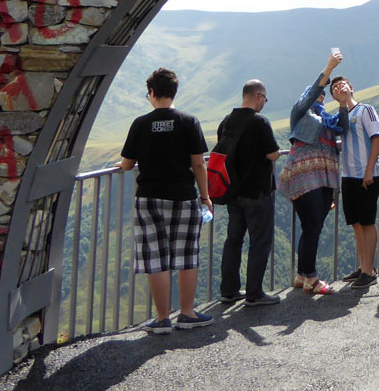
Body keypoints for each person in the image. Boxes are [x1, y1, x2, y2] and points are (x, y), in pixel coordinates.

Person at [119, 68, 213, 333]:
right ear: (174, 92)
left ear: (151, 92)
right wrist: (205, 197)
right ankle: (187, 313)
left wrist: (122, 162)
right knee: (186, 256)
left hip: (148, 199)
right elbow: (198, 163)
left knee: (155, 259)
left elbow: (127, 165)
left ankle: (162, 319)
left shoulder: (140, 123)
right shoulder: (189, 121)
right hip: (183, 197)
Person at [285, 49, 345, 296]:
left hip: (324, 178)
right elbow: (309, 95)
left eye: (323, 93)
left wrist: (342, 104)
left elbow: (342, 128)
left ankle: (302, 275)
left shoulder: (326, 118)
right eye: (318, 92)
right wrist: (328, 68)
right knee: (312, 226)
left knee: (312, 226)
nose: (320, 95)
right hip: (304, 175)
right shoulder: (300, 111)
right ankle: (311, 278)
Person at [217, 79, 282, 307]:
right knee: (260, 242)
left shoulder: (226, 122)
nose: (264, 102)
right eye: (264, 98)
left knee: (233, 241)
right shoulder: (260, 122)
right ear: (259, 96)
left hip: (232, 193)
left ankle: (229, 291)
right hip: (257, 192)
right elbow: (273, 154)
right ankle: (254, 294)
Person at [332, 74, 379, 289]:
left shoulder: (366, 110)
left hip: (366, 174)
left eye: (342, 84)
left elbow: (377, 138)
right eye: (335, 87)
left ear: (351, 87)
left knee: (368, 221)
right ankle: (364, 267)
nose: (339, 87)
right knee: (356, 223)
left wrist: (369, 171)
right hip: (348, 175)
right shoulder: (341, 116)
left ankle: (368, 272)